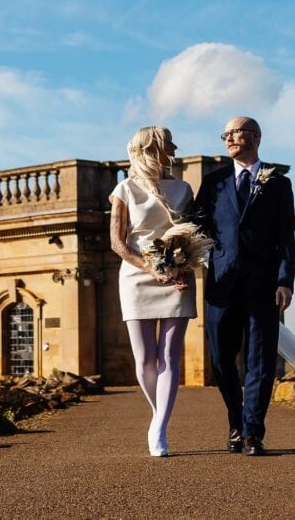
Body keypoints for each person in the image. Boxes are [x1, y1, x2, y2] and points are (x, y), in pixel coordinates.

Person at [194, 116, 295, 456]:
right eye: (225, 134)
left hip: (264, 286)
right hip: (221, 286)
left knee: (260, 362)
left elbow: (285, 238)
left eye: (235, 132)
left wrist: (285, 281)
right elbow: (195, 228)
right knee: (221, 360)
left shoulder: (278, 184)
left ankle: (252, 432)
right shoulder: (213, 182)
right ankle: (235, 421)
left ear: (254, 136)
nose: (229, 138)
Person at [109, 126, 196, 457]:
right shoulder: (124, 189)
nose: (175, 146)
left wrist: (181, 268)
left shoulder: (184, 188)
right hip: (136, 275)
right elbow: (117, 242)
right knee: (144, 358)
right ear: (153, 149)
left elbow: (191, 232)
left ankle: (159, 428)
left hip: (178, 277)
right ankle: (158, 415)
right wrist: (149, 267)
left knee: (170, 356)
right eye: (168, 142)